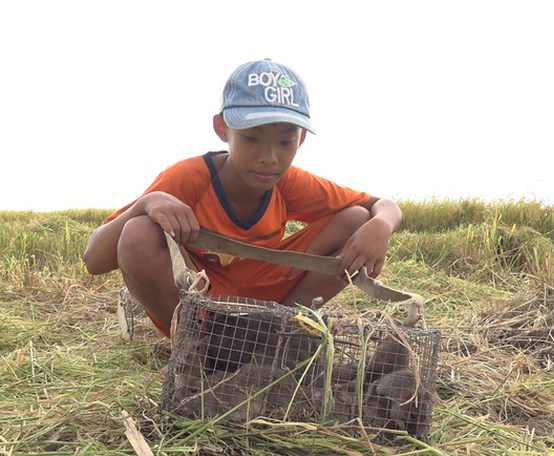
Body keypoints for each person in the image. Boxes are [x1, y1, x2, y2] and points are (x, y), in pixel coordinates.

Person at [83, 58, 402, 338]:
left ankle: (278, 333)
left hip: (269, 299)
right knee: (139, 231)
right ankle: (194, 346)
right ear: (222, 129)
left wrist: (383, 224)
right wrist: (146, 203)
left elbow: (381, 206)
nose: (269, 157)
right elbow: (94, 260)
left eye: (285, 141)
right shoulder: (190, 178)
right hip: (203, 302)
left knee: (357, 218)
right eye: (251, 138)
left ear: (301, 139)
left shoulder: (288, 182)